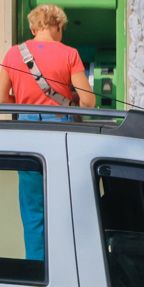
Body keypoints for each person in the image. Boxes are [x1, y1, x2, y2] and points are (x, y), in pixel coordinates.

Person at [0, 4, 95, 262]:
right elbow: (89, 103)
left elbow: (2, 99)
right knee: (65, 209)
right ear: (59, 26)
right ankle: (66, 270)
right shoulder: (69, 54)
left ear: (33, 28)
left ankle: (38, 272)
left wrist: (24, 99)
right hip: (62, 135)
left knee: (34, 213)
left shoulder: (12, 55)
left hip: (28, 137)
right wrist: (69, 99)